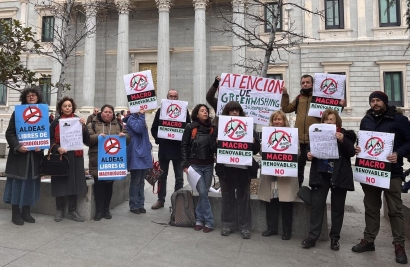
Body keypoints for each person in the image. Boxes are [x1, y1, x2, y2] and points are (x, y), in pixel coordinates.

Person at [352, 91, 410, 264]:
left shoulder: (399, 120)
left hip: (392, 172)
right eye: (372, 101)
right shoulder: (366, 120)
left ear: (384, 102)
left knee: (395, 210)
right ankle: (369, 240)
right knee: (371, 207)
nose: (375, 103)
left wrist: (398, 153)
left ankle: (399, 245)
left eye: (378, 100)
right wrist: (358, 149)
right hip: (370, 171)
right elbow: (363, 142)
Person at [301, 109, 356, 251]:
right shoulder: (317, 132)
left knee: (338, 208)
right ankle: (313, 237)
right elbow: (308, 149)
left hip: (339, 175)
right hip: (321, 174)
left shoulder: (345, 134)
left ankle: (335, 239)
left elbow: (351, 152)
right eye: (326, 119)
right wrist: (309, 154)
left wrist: (342, 140)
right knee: (317, 205)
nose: (328, 122)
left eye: (331, 119)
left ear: (337, 121)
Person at [216, 101, 260, 239]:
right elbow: (212, 148)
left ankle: (245, 227)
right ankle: (227, 225)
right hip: (226, 169)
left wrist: (254, 142)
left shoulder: (248, 127)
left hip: (243, 169)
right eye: (231, 110)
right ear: (227, 112)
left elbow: (256, 149)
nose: (234, 112)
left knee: (243, 198)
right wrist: (216, 142)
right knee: (227, 198)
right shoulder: (220, 127)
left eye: (237, 110)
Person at [3, 87, 44, 225]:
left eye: (34, 95)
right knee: (17, 184)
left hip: (34, 157)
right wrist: (18, 146)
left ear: (38, 98)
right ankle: (15, 213)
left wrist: (41, 146)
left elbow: (45, 134)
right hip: (19, 157)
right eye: (28, 96)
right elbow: (10, 133)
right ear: (25, 98)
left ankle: (26, 212)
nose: (31, 97)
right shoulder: (17, 113)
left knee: (30, 184)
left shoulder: (43, 114)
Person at [258, 110, 299, 240]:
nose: (277, 121)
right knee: (271, 202)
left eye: (279, 119)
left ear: (284, 120)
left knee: (286, 203)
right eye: (275, 119)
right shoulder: (266, 134)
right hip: (271, 175)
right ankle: (272, 228)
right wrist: (262, 145)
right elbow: (261, 151)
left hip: (285, 174)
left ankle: (287, 231)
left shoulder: (291, 134)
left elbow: (297, 152)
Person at [86, 104, 130, 221]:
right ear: (101, 112)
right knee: (99, 186)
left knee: (109, 186)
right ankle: (99, 210)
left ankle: (106, 209)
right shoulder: (92, 124)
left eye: (110, 112)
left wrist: (123, 136)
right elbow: (87, 140)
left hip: (111, 162)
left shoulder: (119, 125)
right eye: (105, 112)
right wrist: (98, 137)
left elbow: (128, 139)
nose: (108, 114)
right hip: (97, 160)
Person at [49, 96, 90, 222]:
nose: (67, 108)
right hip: (60, 156)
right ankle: (59, 210)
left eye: (69, 106)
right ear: (61, 108)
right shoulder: (55, 122)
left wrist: (84, 127)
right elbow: (50, 140)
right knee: (60, 182)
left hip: (75, 157)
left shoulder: (78, 121)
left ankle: (72, 211)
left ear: (72, 107)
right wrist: (57, 147)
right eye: (65, 106)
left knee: (74, 182)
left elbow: (87, 140)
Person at [150, 89, 191, 209]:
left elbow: (188, 128)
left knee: (179, 177)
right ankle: (161, 199)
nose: (173, 98)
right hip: (165, 149)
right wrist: (160, 139)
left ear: (178, 98)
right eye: (170, 96)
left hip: (179, 150)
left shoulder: (184, 112)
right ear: (167, 98)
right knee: (162, 176)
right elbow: (154, 129)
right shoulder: (161, 111)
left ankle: (178, 202)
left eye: (175, 96)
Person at [181, 104, 217, 233]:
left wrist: (216, 142)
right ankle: (209, 221)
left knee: (204, 193)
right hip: (194, 165)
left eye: (206, 110)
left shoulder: (213, 128)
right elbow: (184, 146)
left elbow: (214, 148)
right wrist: (185, 165)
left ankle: (199, 219)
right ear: (197, 114)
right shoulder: (190, 127)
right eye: (202, 111)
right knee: (202, 192)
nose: (205, 112)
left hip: (208, 165)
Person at [281, 75, 320, 187]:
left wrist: (340, 105)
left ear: (312, 84)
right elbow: (286, 109)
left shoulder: (318, 98)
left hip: (315, 140)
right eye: (303, 83)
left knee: (316, 167)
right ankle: (298, 189)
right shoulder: (299, 98)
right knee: (299, 167)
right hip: (300, 140)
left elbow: (331, 113)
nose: (305, 84)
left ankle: (316, 190)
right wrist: (285, 94)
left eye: (308, 82)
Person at [126, 108, 153, 214]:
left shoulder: (139, 118)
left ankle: (140, 204)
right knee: (136, 181)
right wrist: (142, 115)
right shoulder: (131, 119)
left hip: (143, 153)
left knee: (141, 181)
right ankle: (134, 205)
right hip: (136, 154)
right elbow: (139, 129)